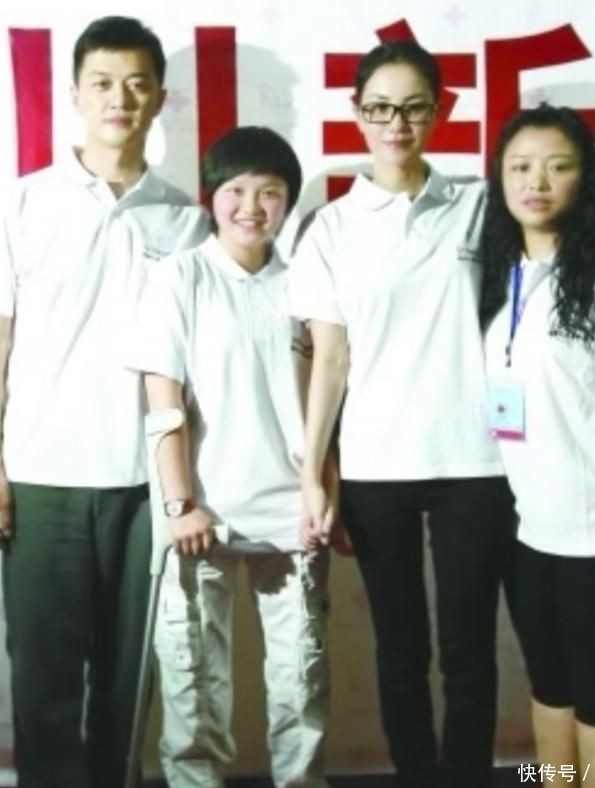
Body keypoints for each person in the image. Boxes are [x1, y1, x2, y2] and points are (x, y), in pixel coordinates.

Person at [288, 40, 595, 788]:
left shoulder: (481, 205)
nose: (396, 122)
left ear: (439, 111)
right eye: (380, 107)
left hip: (480, 465)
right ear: (357, 112)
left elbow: (560, 230)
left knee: (468, 650)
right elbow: (329, 360)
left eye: (413, 106)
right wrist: (314, 472)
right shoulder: (332, 226)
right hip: (377, 465)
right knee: (400, 651)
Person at [0, 16, 209, 788]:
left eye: (136, 83)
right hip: (42, 475)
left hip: (144, 485)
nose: (119, 98)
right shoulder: (24, 205)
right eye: (102, 83)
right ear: (75, 95)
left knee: (130, 682)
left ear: (158, 97)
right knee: (44, 682)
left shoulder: (186, 219)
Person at [128, 126, 331, 788]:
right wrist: (180, 504)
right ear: (212, 196)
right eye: (236, 190)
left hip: (293, 514)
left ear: (288, 202)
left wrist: (324, 492)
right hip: (202, 515)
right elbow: (163, 401)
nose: (251, 207)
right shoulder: (179, 276)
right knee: (194, 688)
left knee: (301, 685)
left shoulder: (306, 285)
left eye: (269, 192)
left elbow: (328, 405)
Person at [479, 104, 595, 787]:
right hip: (529, 527)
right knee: (549, 684)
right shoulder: (499, 272)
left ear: (588, 176)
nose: (537, 182)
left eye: (558, 166)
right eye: (521, 167)